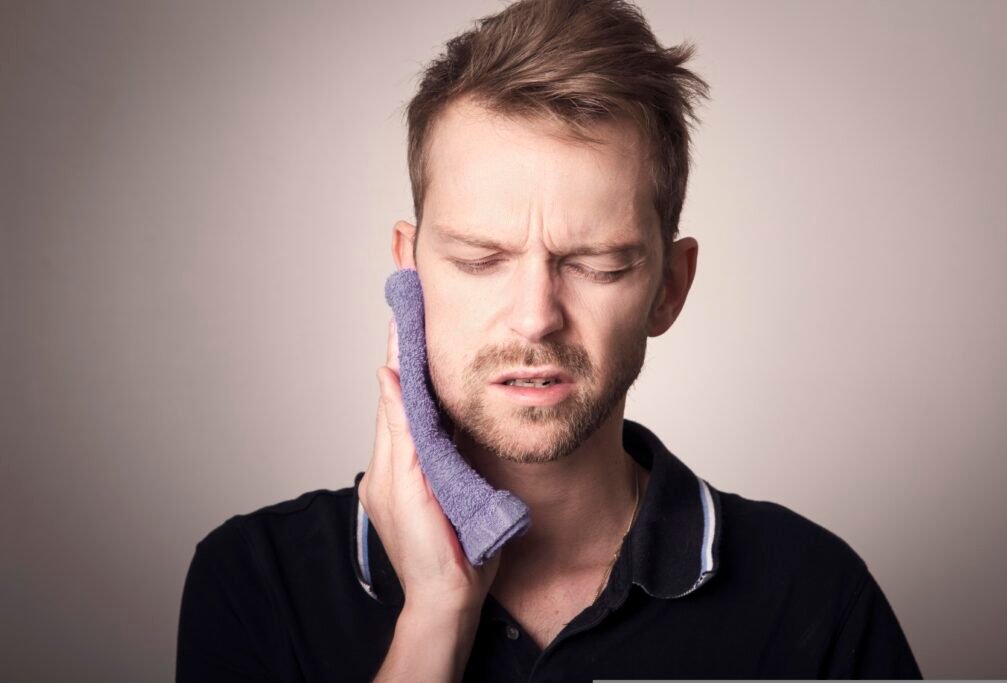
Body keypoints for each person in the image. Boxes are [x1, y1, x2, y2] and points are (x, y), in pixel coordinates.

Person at [176, 0, 922, 680]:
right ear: (409, 272)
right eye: (480, 260)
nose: (535, 318)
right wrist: (435, 615)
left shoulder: (812, 594)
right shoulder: (258, 582)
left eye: (596, 265)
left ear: (669, 287)